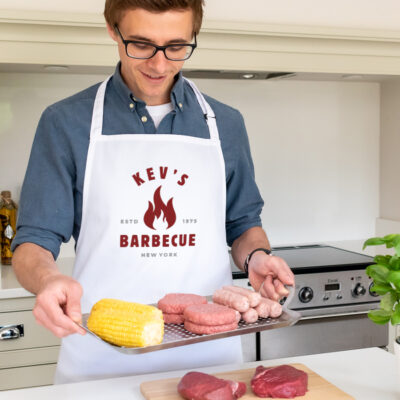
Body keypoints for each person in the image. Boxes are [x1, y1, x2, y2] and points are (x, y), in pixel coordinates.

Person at [12, 0, 294, 384]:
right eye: (141, 44)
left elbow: (243, 224)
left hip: (210, 362)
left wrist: (256, 257)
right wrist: (47, 280)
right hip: (100, 363)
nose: (159, 64)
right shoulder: (66, 122)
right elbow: (34, 241)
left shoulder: (225, 124)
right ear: (114, 30)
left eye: (176, 47)